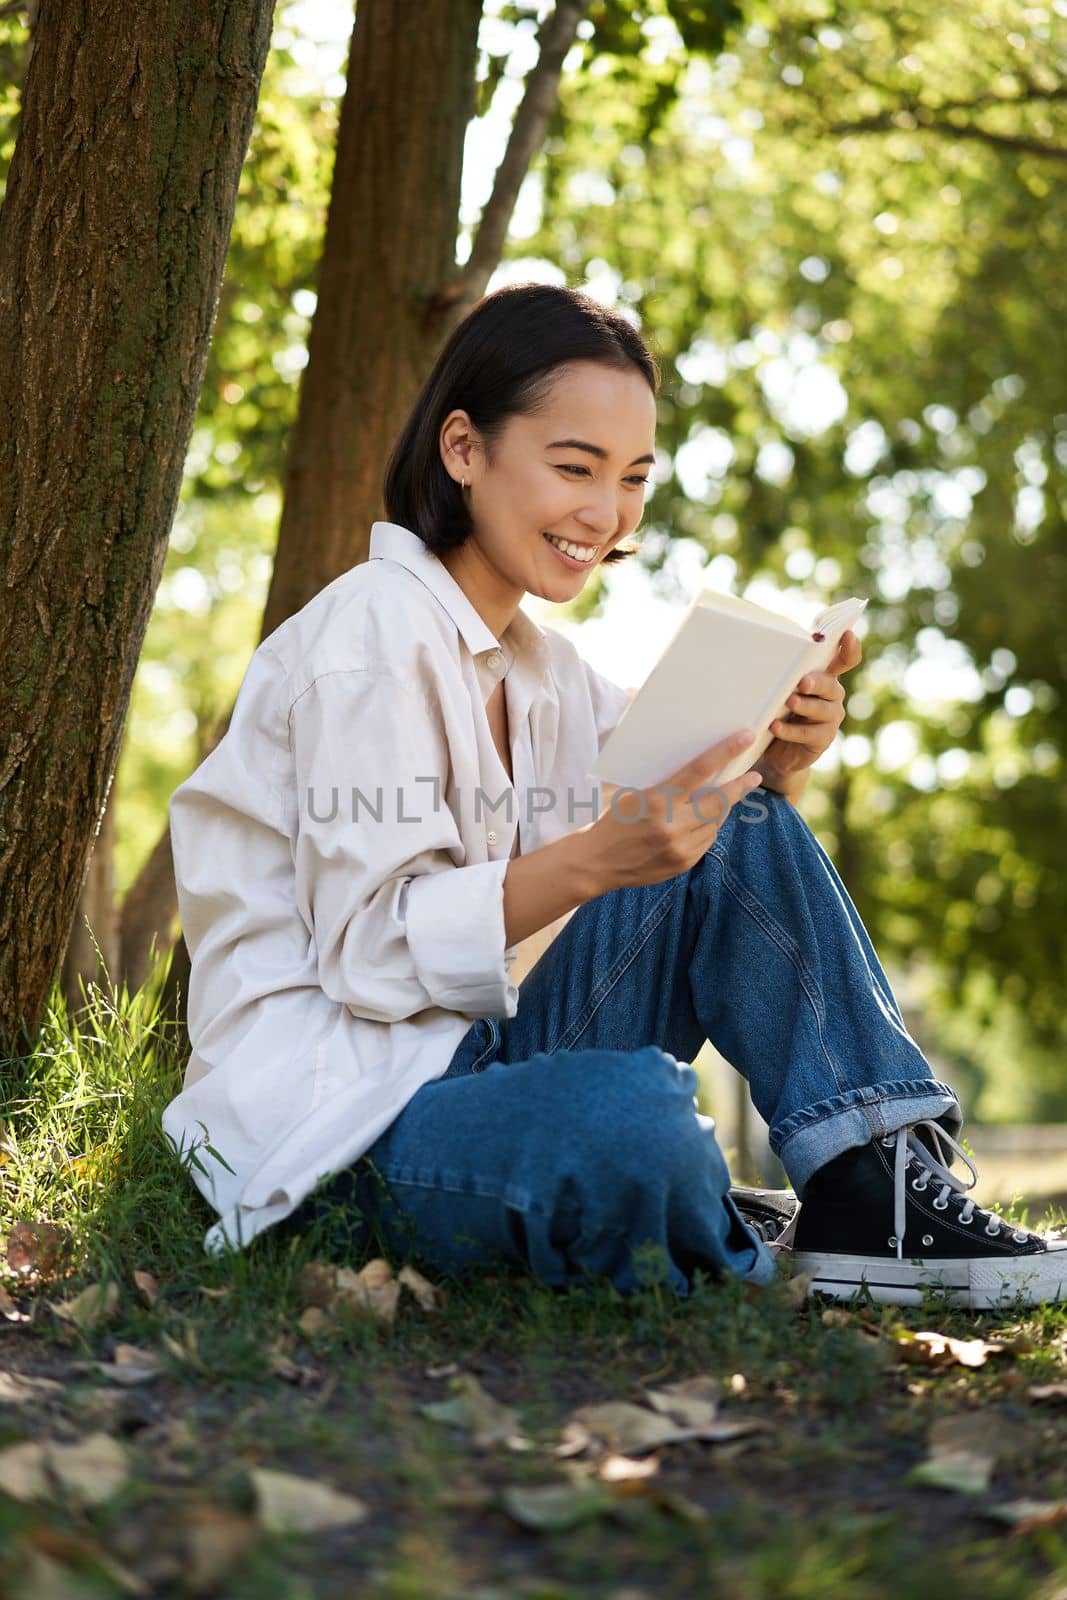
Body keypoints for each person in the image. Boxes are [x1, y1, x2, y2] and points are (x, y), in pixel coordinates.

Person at [161, 282, 1066, 1311]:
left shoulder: (545, 669)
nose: (606, 512)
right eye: (573, 467)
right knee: (634, 1120)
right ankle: (712, 1206)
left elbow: (717, 851)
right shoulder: (368, 637)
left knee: (740, 820)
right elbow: (370, 957)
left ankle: (873, 1183)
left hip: (481, 1057)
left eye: (633, 477)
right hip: (344, 1131)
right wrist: (600, 854)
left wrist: (781, 749)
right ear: (463, 449)